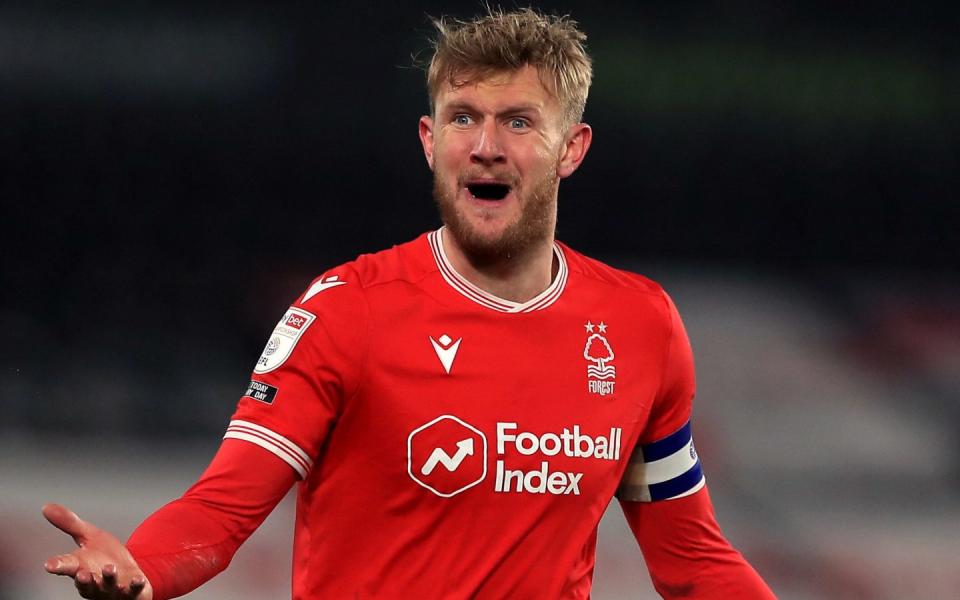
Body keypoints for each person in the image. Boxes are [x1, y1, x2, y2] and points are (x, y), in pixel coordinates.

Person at [43, 8, 775, 599]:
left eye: (518, 122)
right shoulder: (347, 310)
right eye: (462, 118)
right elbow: (222, 507)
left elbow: (691, 558)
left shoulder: (640, 325)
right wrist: (142, 566)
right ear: (430, 141)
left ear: (571, 148)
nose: (485, 145)